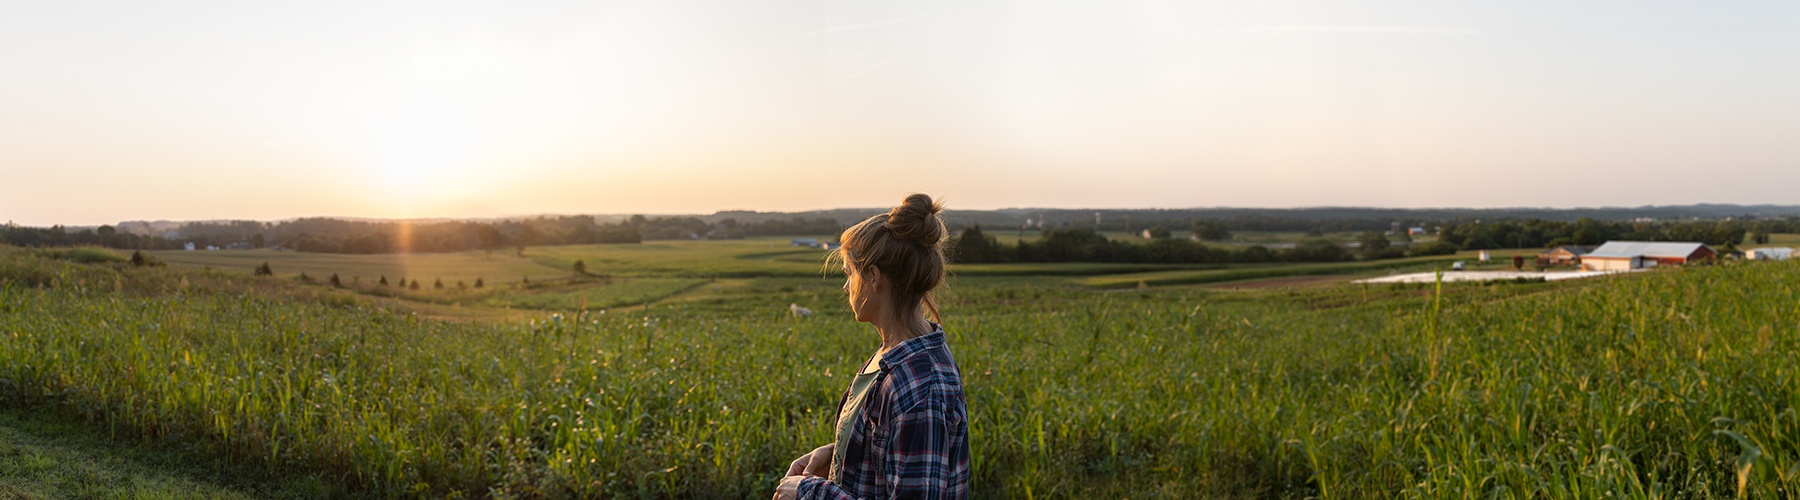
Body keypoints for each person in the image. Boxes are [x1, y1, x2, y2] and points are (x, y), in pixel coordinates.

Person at [774, 194, 970, 500]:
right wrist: (839, 454)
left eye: (849, 273)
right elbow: (889, 448)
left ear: (874, 277)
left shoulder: (921, 387)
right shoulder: (890, 356)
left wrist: (810, 492)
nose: (845, 285)